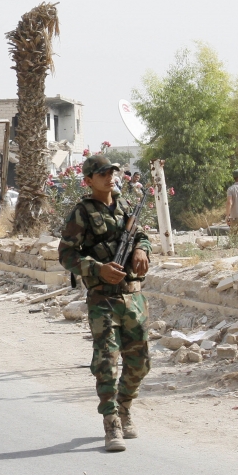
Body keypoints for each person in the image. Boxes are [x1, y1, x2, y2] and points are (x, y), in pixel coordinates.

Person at [58, 154, 151, 453]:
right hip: (102, 299)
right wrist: (98, 269)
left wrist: (141, 250)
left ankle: (124, 407)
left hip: (132, 295)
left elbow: (142, 235)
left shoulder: (124, 205)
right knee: (107, 362)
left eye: (112, 172)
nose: (110, 178)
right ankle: (111, 421)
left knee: (140, 363)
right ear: (88, 181)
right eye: (102, 174)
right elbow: (67, 255)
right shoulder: (81, 213)